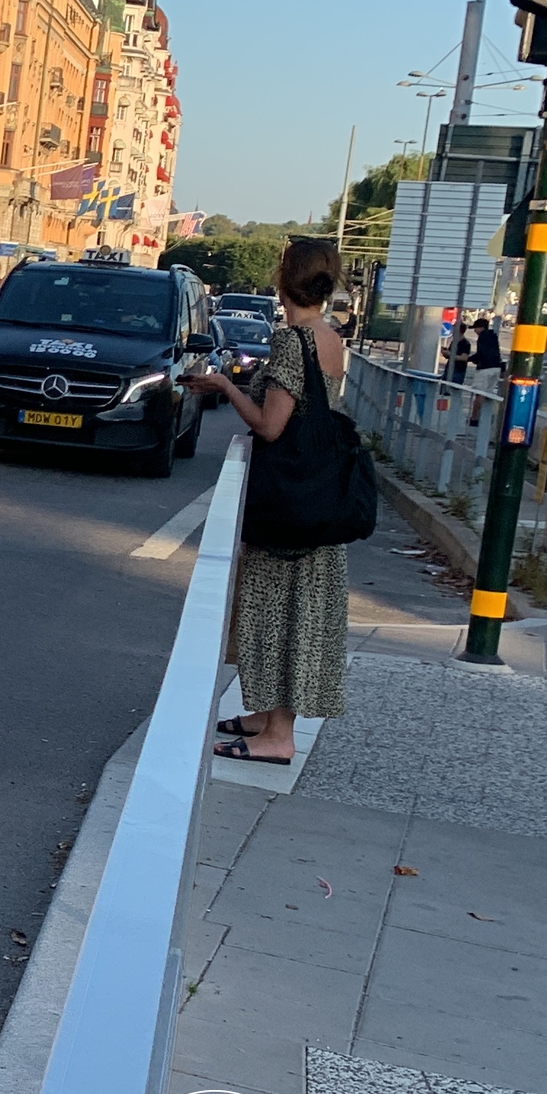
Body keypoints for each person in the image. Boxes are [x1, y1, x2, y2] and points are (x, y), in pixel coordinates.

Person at [182, 239, 351, 766]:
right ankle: (266, 718)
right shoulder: (331, 340)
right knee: (301, 615)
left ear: (283, 280)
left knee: (274, 613)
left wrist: (224, 388)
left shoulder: (290, 342)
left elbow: (271, 425)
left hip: (287, 507)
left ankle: (277, 735)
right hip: (317, 502)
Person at [467, 314, 504, 427]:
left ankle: (474, 418)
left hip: (485, 368)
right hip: (496, 368)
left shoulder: (482, 337)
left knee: (480, 394)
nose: (475, 331)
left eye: (476, 328)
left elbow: (481, 353)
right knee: (488, 394)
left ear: (481, 328)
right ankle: (487, 418)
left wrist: (469, 359)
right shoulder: (493, 336)